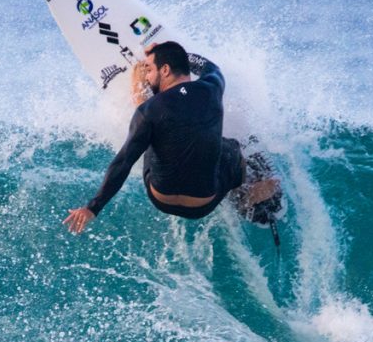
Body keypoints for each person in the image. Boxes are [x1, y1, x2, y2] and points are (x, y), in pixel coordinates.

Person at [63, 41, 278, 234]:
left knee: (152, 135)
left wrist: (93, 207)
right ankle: (244, 199)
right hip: (204, 203)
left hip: (160, 197)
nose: (147, 75)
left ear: (165, 69)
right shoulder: (213, 87)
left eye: (149, 70)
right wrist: (175, 54)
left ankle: (137, 95)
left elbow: (124, 161)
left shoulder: (148, 110)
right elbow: (209, 66)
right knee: (233, 147)